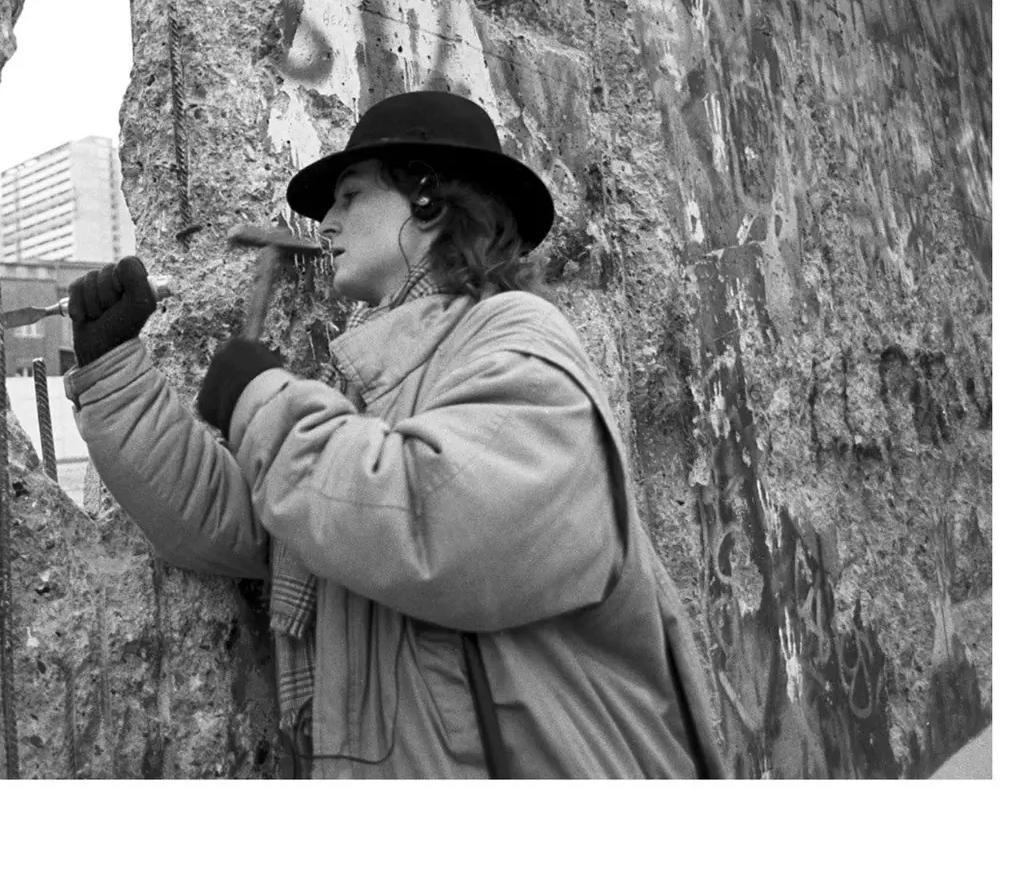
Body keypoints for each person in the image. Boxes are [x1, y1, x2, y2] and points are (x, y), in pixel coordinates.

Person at [63, 91, 727, 779]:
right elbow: (256, 521)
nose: (327, 221)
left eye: (350, 195)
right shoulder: (378, 382)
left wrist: (260, 401)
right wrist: (115, 373)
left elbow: (444, 524)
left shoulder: (522, 343)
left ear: (429, 202)